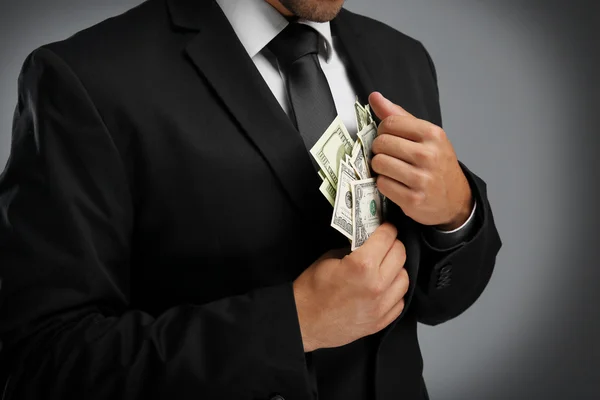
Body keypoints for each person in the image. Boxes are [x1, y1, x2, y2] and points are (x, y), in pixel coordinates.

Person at [0, 0, 502, 399]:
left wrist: (456, 214)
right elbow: (42, 364)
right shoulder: (87, 79)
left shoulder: (403, 57)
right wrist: (292, 325)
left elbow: (441, 300)